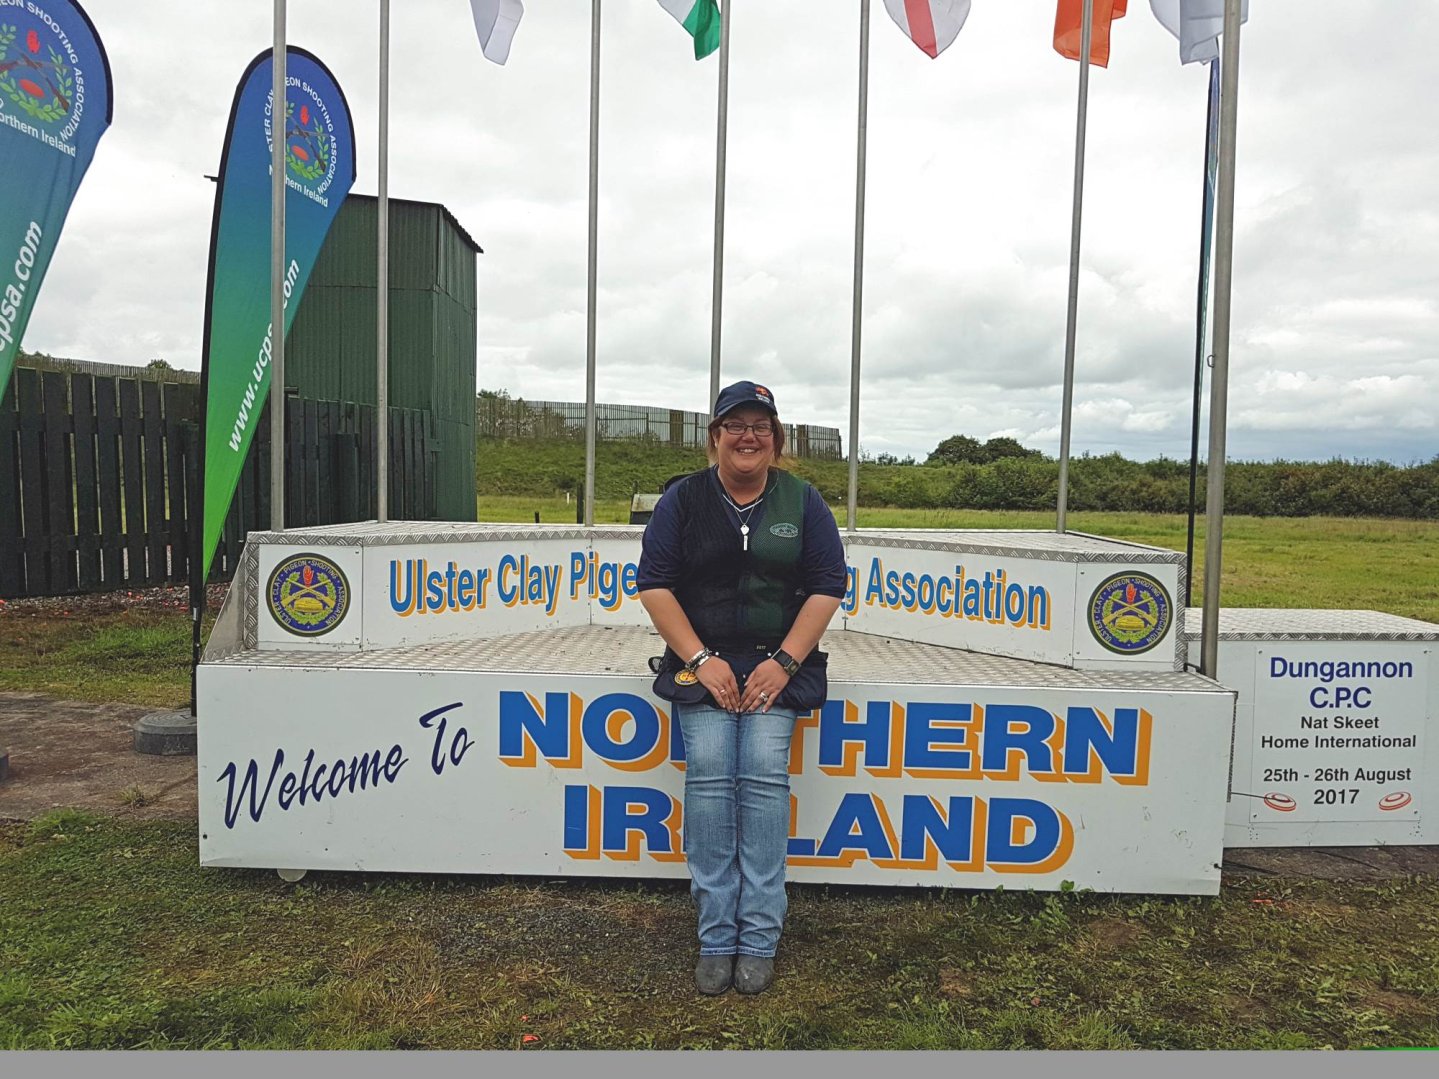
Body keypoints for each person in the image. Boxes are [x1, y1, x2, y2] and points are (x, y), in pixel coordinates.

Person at [637, 380, 847, 996]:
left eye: (761, 426)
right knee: (707, 769)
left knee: (759, 770)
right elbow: (654, 583)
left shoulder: (804, 501)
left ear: (776, 441)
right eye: (735, 425)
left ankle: (758, 936)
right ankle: (715, 934)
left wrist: (783, 661)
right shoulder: (683, 500)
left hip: (777, 663)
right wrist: (699, 658)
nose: (748, 436)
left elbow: (828, 585)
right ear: (716, 438)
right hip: (701, 663)